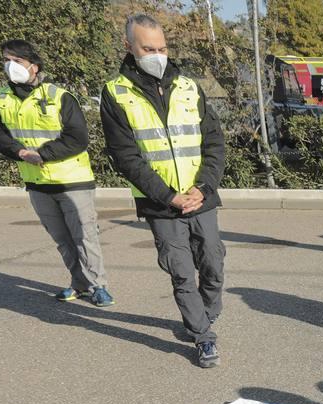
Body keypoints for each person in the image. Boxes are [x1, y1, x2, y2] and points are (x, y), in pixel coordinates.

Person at [101, 13, 226, 369]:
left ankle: (206, 313)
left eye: (162, 47)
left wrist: (203, 187)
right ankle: (203, 336)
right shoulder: (115, 93)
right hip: (162, 204)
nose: (158, 54)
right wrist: (168, 196)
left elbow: (214, 141)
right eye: (148, 48)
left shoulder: (188, 86)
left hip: (201, 197)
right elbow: (125, 156)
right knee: (182, 272)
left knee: (213, 264)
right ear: (129, 47)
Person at [0, 40, 112, 307]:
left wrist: (42, 154)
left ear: (34, 66)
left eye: (17, 61)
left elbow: (77, 138)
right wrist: (21, 153)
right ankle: (79, 283)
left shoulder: (59, 96)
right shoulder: (2, 98)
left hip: (72, 181)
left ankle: (98, 285)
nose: (11, 66)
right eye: (6, 60)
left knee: (84, 238)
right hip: (36, 183)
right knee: (62, 240)